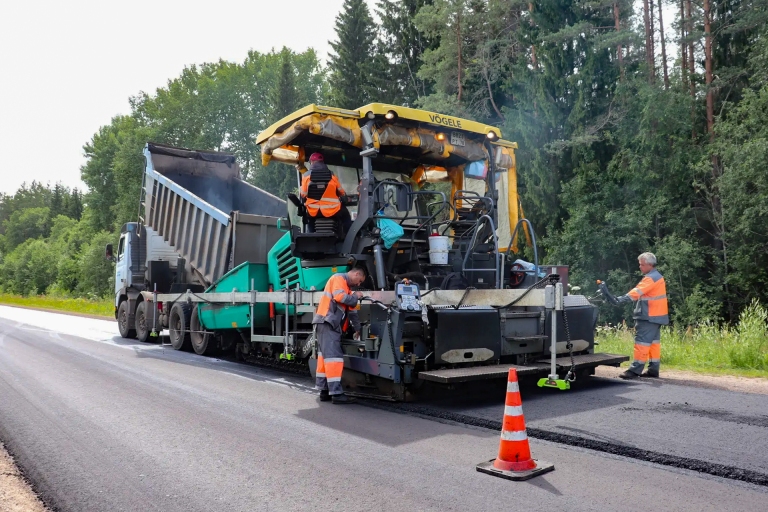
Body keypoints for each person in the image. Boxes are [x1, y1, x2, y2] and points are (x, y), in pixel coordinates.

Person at [600, 252, 669, 379]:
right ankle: (653, 370)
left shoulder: (650, 278)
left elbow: (636, 293)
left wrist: (619, 300)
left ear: (649, 265)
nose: (640, 267)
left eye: (641, 265)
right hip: (657, 316)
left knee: (641, 343)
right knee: (654, 344)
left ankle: (634, 370)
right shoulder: (657, 276)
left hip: (648, 316)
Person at [313, 267, 367, 404]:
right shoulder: (338, 278)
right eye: (359, 280)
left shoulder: (347, 290)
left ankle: (324, 391)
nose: (358, 284)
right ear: (356, 274)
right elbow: (340, 297)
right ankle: (336, 394)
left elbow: (353, 312)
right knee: (333, 359)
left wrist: (358, 329)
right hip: (327, 322)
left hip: (328, 324)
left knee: (325, 358)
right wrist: (356, 296)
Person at [299, 153, 352, 233]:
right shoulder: (332, 176)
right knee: (346, 216)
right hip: (333, 209)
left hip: (314, 210)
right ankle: (348, 236)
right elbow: (342, 193)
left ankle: (311, 236)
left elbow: (303, 195)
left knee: (310, 219)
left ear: (311, 162)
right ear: (322, 162)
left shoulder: (306, 177)